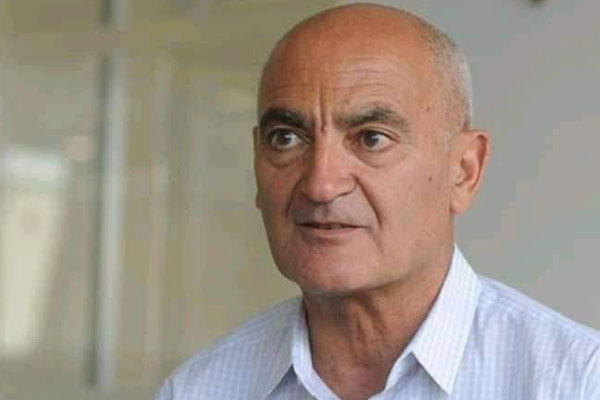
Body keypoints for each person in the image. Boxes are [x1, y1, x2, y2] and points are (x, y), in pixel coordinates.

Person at [154, 3, 600, 399]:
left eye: (371, 138)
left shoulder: (576, 383)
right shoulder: (200, 390)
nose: (321, 184)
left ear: (464, 170)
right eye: (286, 138)